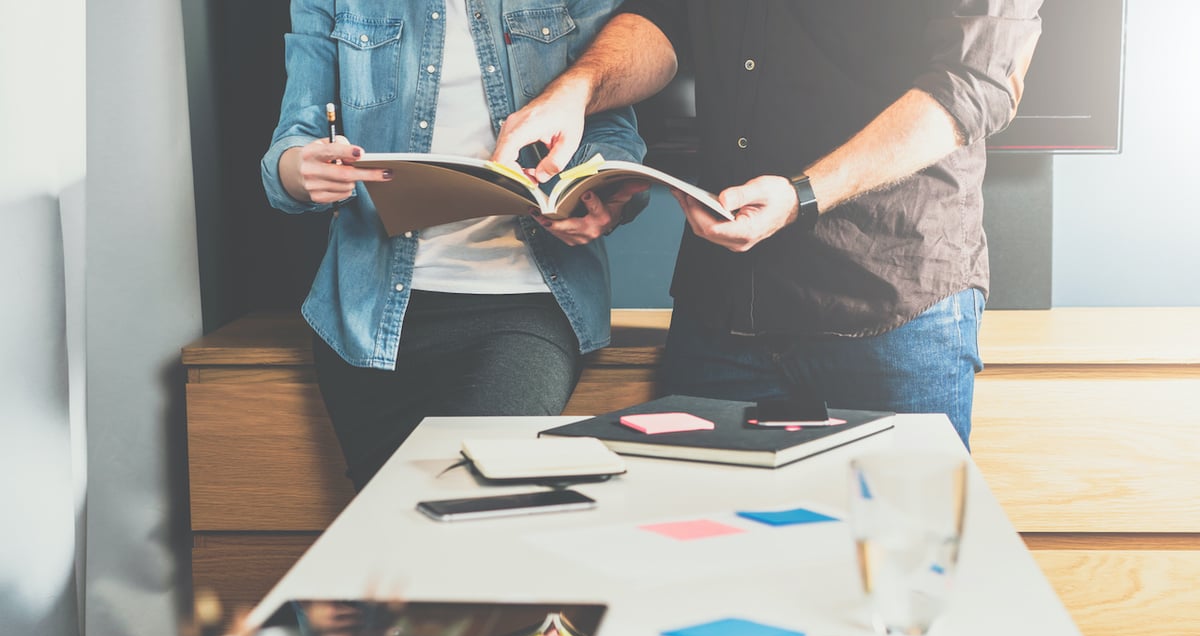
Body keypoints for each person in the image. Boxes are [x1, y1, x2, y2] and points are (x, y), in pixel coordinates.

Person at [493, 2, 1043, 448]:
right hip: (722, 309)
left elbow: (977, 81)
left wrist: (803, 194)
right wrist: (577, 89)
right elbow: (664, 18)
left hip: (891, 309)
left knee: (904, 568)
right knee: (705, 562)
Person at [261, 0, 647, 490]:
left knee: (477, 501)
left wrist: (591, 190)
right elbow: (293, 140)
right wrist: (301, 169)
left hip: (525, 306)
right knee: (392, 523)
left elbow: (612, 126)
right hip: (371, 316)